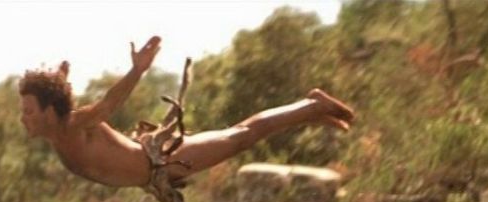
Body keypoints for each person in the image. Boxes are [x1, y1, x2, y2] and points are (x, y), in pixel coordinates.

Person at [18, 35, 355, 190]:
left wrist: (137, 71)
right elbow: (61, 98)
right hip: (156, 176)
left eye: (29, 111)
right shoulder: (58, 131)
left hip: (163, 160)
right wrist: (59, 81)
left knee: (241, 136)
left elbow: (107, 105)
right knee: (242, 136)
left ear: (50, 111)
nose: (23, 118)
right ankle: (306, 112)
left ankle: (313, 105)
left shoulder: (75, 124)